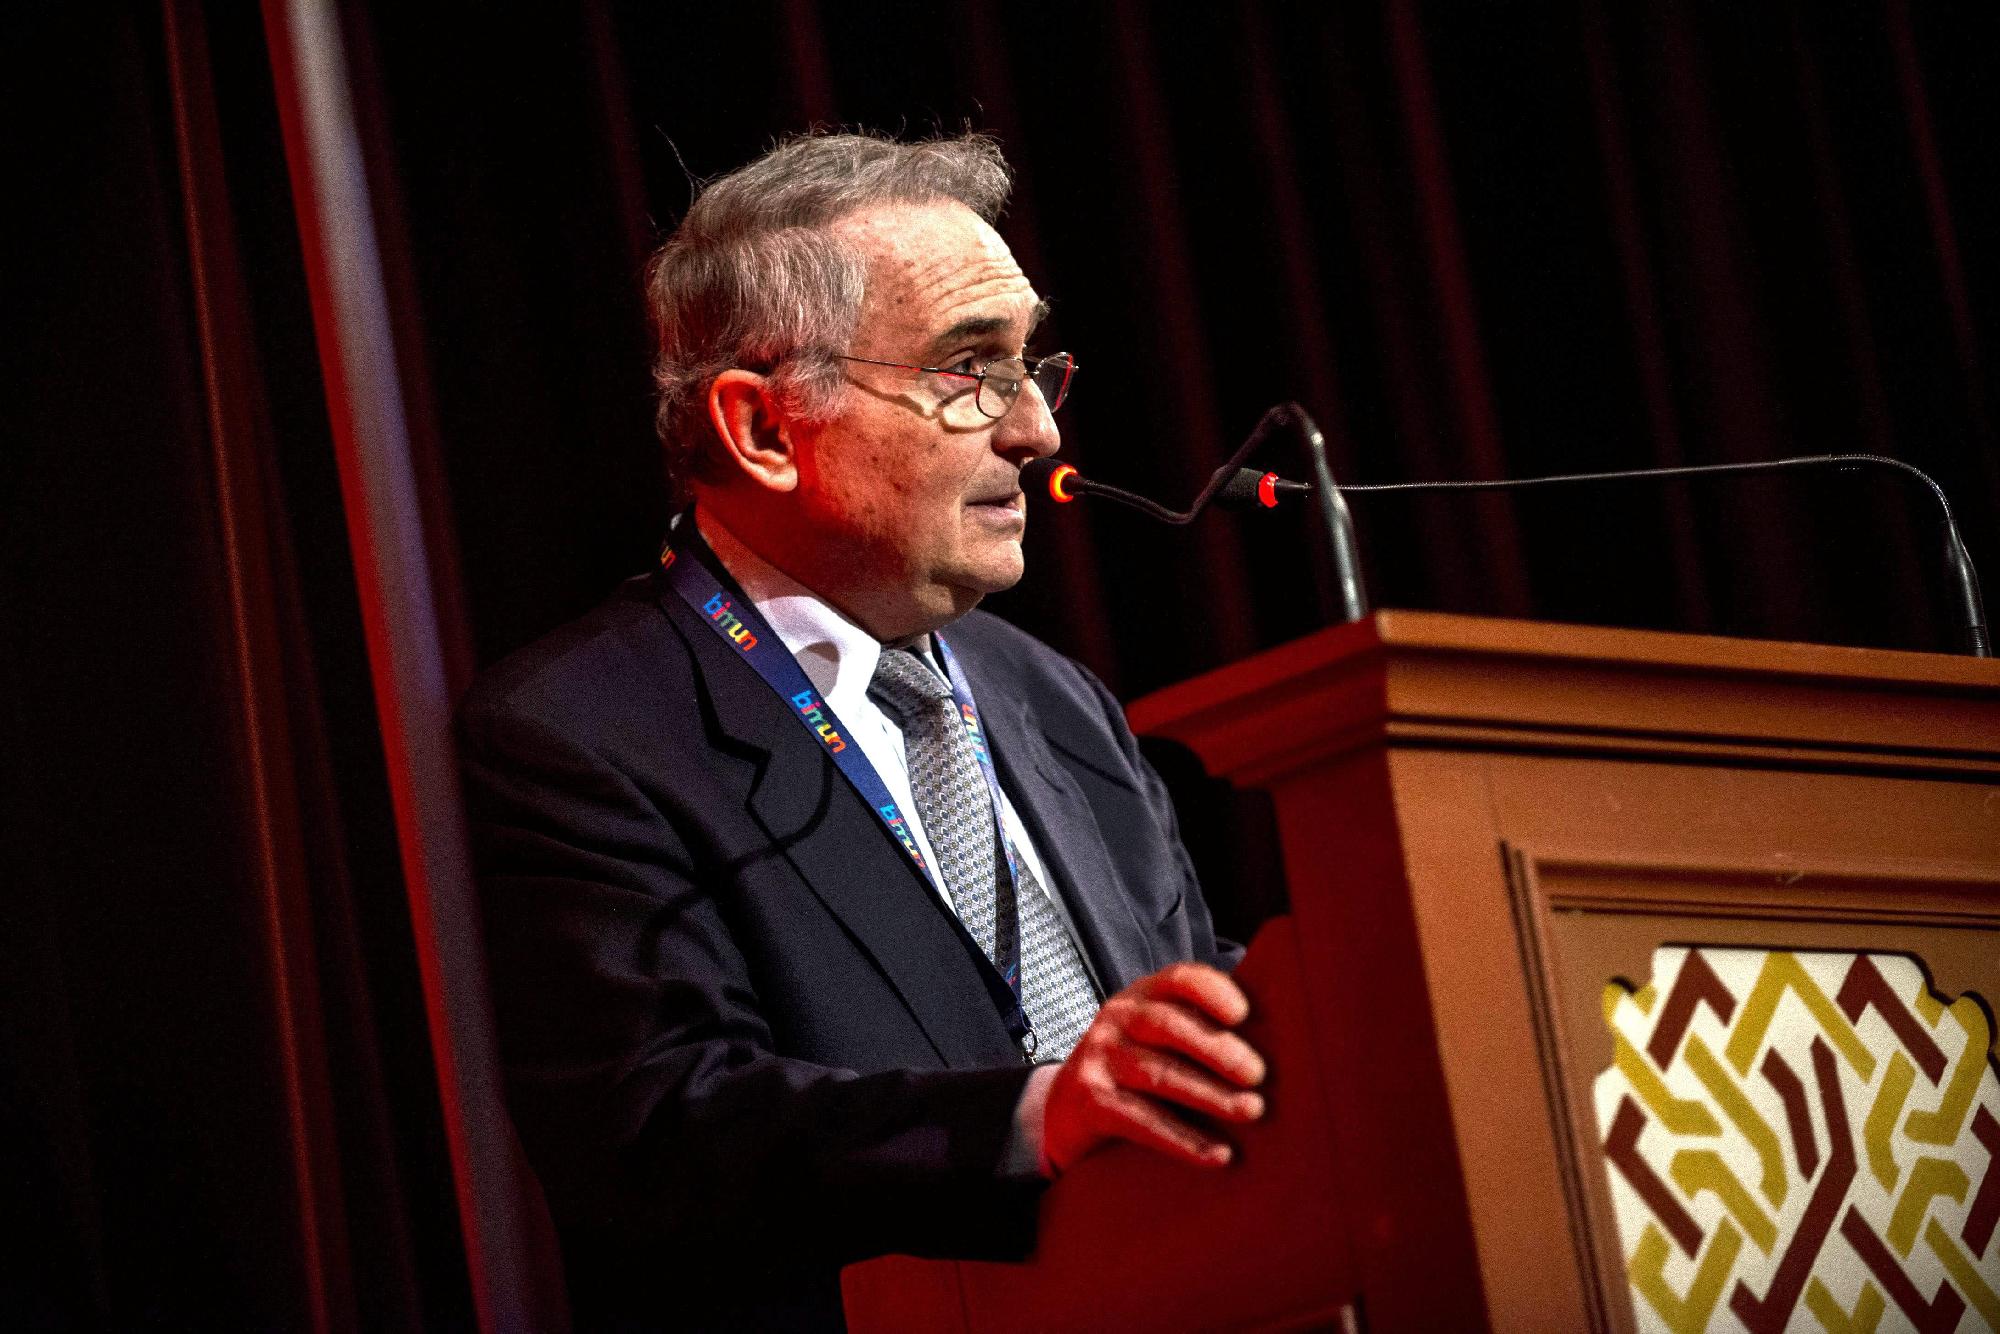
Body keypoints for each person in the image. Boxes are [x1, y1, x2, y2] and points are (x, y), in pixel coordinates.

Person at [458, 130, 1267, 1331]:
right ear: (763, 429)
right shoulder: (578, 732)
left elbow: (1182, 995)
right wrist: (1037, 1116)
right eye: (967, 368)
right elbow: (665, 1126)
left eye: (1031, 366)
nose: (1035, 429)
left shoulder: (1054, 698)